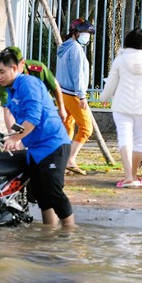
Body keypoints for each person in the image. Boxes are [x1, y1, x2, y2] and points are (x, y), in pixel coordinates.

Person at [0, 48, 75, 228]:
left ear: (15, 68)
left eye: (2, 72)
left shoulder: (28, 83)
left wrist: (16, 139)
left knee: (53, 192)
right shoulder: (12, 90)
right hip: (36, 149)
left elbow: (34, 118)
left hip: (53, 145)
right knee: (40, 193)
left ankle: (71, 232)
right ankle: (49, 232)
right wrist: (10, 134)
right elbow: (19, 122)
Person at [100, 28, 142, 188]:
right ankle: (134, 176)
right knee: (139, 141)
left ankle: (127, 176)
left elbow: (111, 82)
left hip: (121, 106)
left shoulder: (120, 60)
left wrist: (103, 98)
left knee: (124, 139)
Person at [55, 18, 96, 176]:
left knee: (67, 127)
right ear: (76, 33)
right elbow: (77, 74)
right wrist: (82, 96)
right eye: (85, 33)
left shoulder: (64, 47)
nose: (87, 36)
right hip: (73, 95)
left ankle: (60, 159)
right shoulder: (76, 49)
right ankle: (70, 160)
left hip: (63, 93)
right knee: (86, 128)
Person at [0, 46, 67, 125]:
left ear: (22, 63)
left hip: (44, 106)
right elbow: (7, 110)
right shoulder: (3, 81)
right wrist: (13, 134)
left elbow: (55, 85)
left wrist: (62, 108)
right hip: (22, 111)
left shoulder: (37, 68)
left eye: (14, 67)